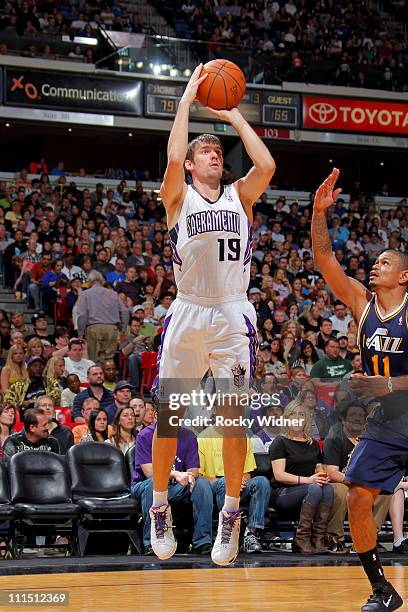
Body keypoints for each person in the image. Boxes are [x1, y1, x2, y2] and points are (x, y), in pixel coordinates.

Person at [149, 64, 275, 565]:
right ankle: (158, 506)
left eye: (219, 153)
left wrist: (232, 115)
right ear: (194, 163)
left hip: (230, 313)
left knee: (232, 422)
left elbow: (266, 167)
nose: (214, 156)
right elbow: (174, 154)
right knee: (169, 418)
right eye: (208, 151)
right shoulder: (177, 197)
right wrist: (185, 101)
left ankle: (230, 512)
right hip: (187, 311)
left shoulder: (240, 195)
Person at [312, 167, 408, 611]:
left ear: (404, 276)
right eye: (375, 261)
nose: (375, 265)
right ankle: (382, 589)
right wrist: (318, 212)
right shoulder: (361, 303)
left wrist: (388, 382)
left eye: (385, 262)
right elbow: (324, 260)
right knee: (357, 495)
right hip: (386, 422)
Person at [131, 420, 214, 556]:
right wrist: (175, 474)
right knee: (154, 482)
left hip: (177, 487)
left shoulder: (188, 435)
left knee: (202, 483)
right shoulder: (145, 435)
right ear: (157, 414)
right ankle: (150, 543)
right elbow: (149, 473)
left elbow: (193, 471)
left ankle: (202, 541)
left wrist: (187, 477)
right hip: (145, 485)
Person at [269, 397, 334, 555]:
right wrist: (309, 480)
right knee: (315, 489)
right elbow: (279, 475)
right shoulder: (280, 441)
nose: (297, 418)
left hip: (310, 490)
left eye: (301, 415)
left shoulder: (312, 443)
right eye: (293, 414)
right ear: (287, 418)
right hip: (283, 493)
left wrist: (322, 476)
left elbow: (319, 467)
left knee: (328, 490)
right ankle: (301, 538)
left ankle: (318, 537)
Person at [323, 401, 390, 554]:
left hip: (363, 482)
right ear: (343, 419)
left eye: (361, 416)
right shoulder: (334, 439)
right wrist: (354, 481)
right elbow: (332, 472)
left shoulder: (371, 440)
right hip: (340, 481)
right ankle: (335, 538)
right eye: (353, 415)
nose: (357, 418)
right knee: (340, 491)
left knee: (385, 491)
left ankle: (370, 538)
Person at [76, 270, 129, 363]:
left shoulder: (86, 294)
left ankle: (96, 376)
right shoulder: (113, 294)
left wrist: (80, 332)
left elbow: (82, 315)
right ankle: (108, 376)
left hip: (94, 329)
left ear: (90, 281)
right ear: (101, 281)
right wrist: (123, 329)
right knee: (108, 359)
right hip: (112, 329)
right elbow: (124, 311)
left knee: (94, 359)